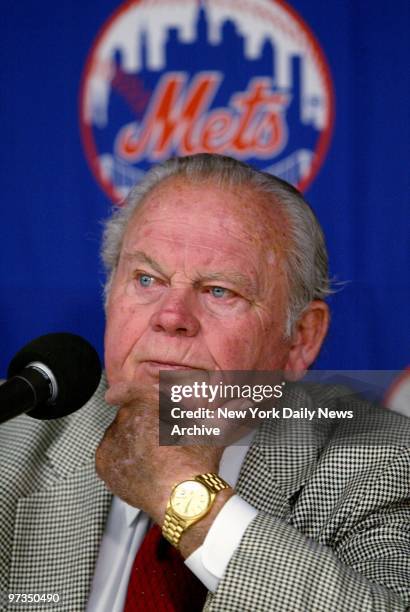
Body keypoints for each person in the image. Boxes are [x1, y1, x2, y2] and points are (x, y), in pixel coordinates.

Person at [0, 154, 409, 611]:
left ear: (300, 339)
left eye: (219, 290)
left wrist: (187, 503)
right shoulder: (12, 447)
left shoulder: (382, 463)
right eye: (147, 279)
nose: (171, 317)